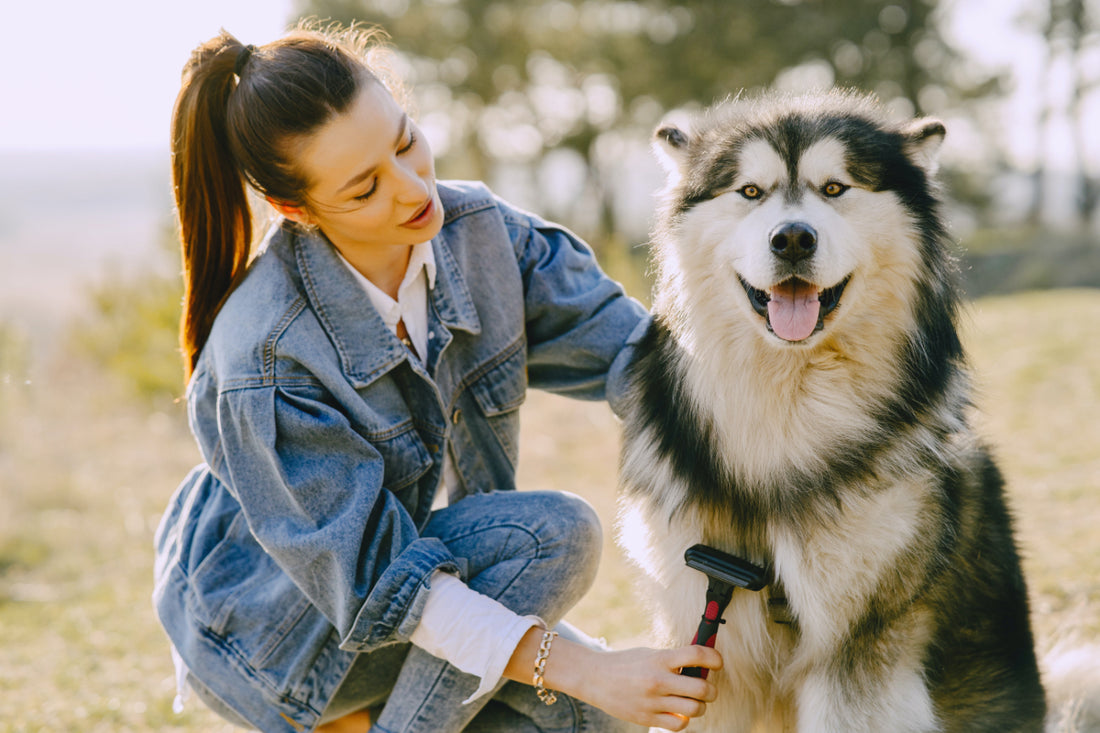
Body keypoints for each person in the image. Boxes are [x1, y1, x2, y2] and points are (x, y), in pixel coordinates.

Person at [153, 22, 721, 733]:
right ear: (298, 210)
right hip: (271, 641)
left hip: (413, 600)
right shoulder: (264, 356)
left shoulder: (482, 235)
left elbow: (643, 361)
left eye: (404, 140)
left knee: (590, 724)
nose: (413, 186)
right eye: (364, 189)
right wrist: (595, 669)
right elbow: (379, 586)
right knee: (551, 536)